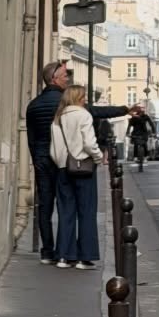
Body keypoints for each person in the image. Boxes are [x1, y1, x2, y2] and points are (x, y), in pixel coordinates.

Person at [50, 84, 101, 268]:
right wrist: (98, 157)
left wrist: (61, 163)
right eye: (83, 96)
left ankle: (64, 256)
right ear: (78, 98)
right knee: (87, 212)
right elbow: (89, 143)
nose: (85, 100)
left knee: (65, 212)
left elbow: (54, 149)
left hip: (63, 169)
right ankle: (84, 257)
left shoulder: (58, 118)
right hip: (84, 168)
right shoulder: (83, 115)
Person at [25, 59, 71, 264]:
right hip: (62, 159)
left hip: (42, 159)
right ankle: (63, 250)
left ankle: (47, 251)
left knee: (45, 206)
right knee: (65, 205)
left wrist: (36, 159)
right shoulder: (66, 103)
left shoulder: (33, 105)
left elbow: (31, 139)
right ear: (54, 79)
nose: (67, 79)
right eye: (64, 76)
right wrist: (123, 110)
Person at [126, 101, 153, 170]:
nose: (141, 111)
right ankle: (136, 157)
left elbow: (151, 124)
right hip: (136, 133)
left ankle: (145, 156)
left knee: (144, 144)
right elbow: (129, 125)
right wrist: (127, 132)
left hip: (143, 133)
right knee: (136, 144)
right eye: (140, 109)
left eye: (141, 109)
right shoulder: (134, 117)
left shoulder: (145, 116)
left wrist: (153, 131)